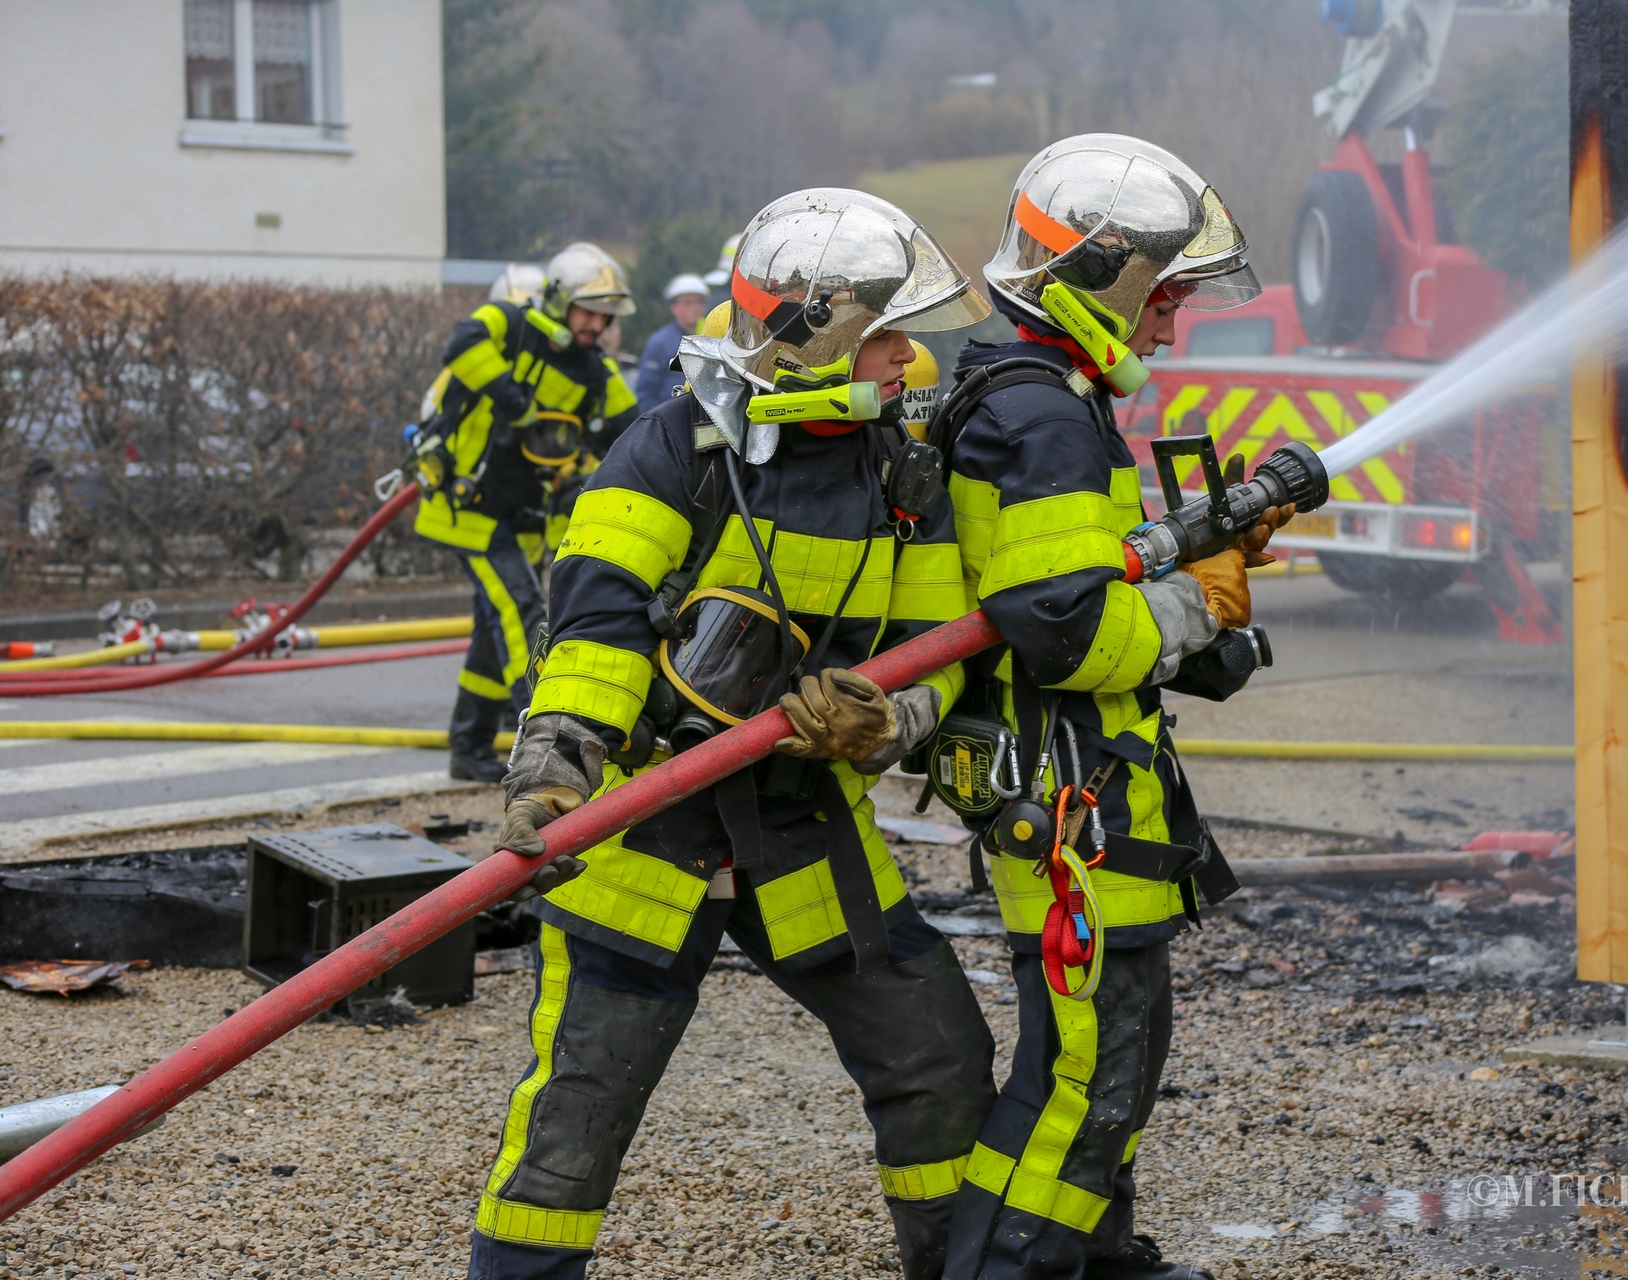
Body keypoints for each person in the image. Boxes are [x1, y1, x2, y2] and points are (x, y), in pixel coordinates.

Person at [468, 189, 999, 1280]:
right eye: (891, 334)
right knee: (579, 1115)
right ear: (816, 328)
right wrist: (555, 764)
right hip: (648, 824)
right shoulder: (673, 446)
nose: (913, 359)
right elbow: (600, 618)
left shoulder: (903, 473)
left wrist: (881, 722)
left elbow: (938, 645)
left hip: (804, 828)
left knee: (935, 1050)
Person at [937, 134, 1287, 1280]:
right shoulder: (1040, 416)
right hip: (1072, 808)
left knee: (1113, 1057)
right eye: (1166, 298)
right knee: (1085, 1074)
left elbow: (1086, 587)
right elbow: (1071, 629)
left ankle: (1099, 1254)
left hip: (1085, 794)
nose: (1170, 326)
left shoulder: (1039, 395)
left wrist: (1195, 585)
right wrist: (1204, 595)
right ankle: (1014, 1266)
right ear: (1108, 277)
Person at [411, 243, 642, 782]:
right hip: (467, 505)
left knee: (493, 631)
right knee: (520, 612)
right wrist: (508, 396)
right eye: (587, 310)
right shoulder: (509, 325)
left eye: (603, 315)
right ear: (560, 299)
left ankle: (468, 749)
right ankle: (538, 747)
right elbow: (462, 343)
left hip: (524, 515)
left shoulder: (593, 371)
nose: (595, 324)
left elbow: (630, 430)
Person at [630, 273, 711, 409]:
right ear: (673, 307)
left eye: (698, 301)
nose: (694, 307)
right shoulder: (658, 343)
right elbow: (646, 392)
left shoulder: (710, 338)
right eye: (687, 302)